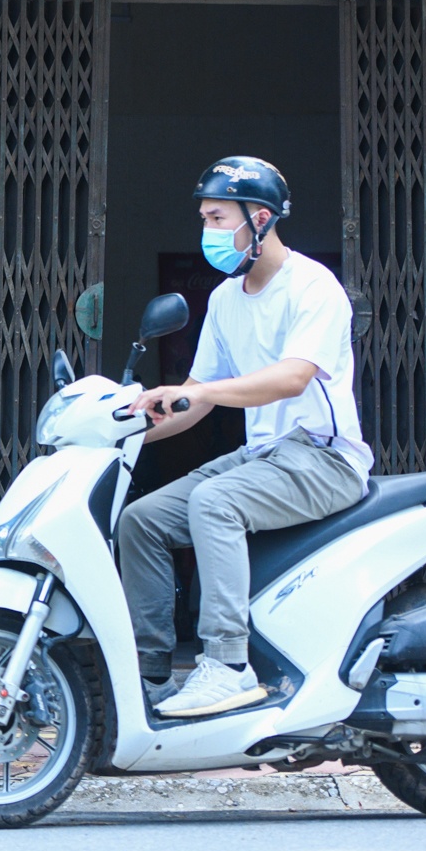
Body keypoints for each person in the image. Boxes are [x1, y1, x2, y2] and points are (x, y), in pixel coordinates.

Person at [122, 156, 370, 718]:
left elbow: (292, 378)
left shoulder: (313, 286)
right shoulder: (226, 299)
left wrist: (204, 394)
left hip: (323, 459)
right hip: (262, 457)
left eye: (216, 219)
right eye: (204, 220)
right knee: (142, 520)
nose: (207, 232)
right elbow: (195, 394)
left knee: (213, 502)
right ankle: (151, 675)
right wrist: (130, 429)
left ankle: (227, 666)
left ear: (258, 220)